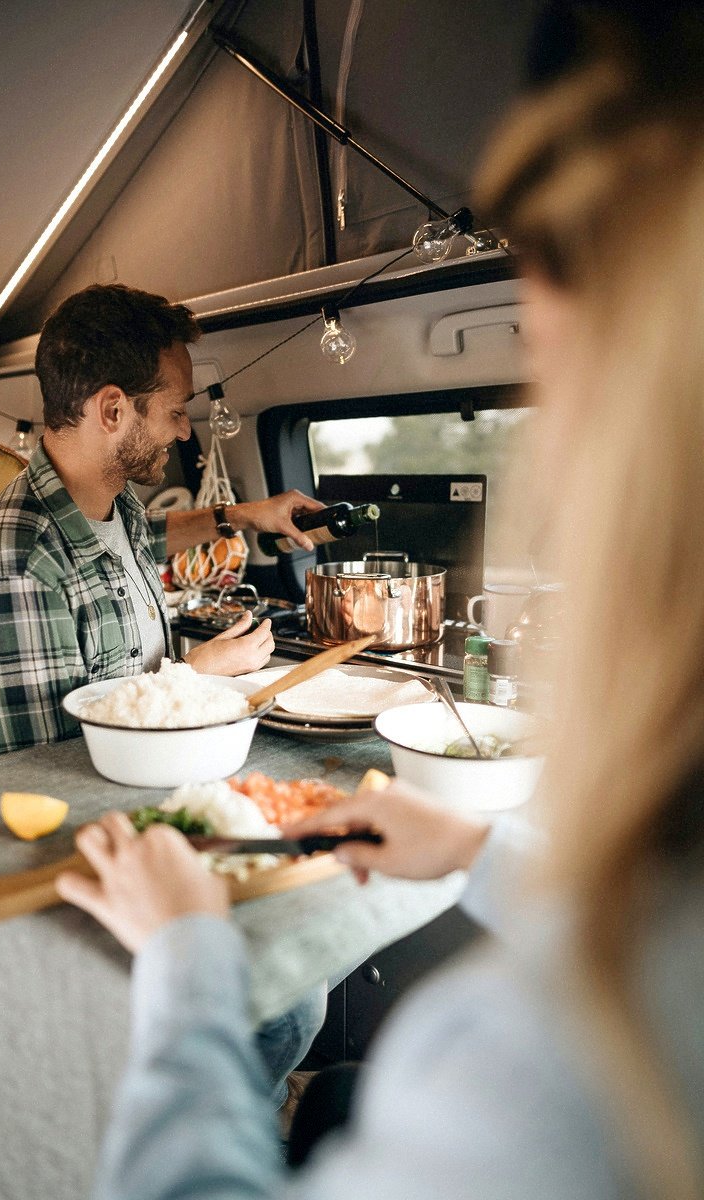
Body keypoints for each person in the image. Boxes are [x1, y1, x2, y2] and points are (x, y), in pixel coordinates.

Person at [56, 5, 704, 1199]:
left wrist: (188, 962)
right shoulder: (17, 549)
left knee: (289, 1016)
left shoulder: (526, 1072)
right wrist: (481, 854)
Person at [0, 283, 324, 761]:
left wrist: (243, 515)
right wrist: (193, 674)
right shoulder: (16, 566)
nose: (184, 431)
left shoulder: (116, 505)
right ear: (113, 410)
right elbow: (40, 768)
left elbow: (143, 539)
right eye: (176, 411)